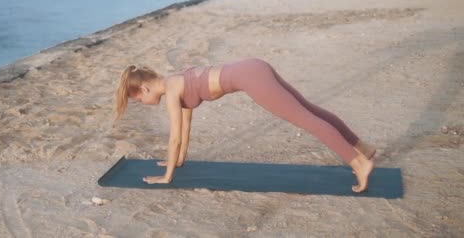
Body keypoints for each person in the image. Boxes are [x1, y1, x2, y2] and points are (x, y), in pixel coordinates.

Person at [114, 58, 376, 193]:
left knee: (303, 118)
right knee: (309, 109)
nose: (142, 102)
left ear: (145, 88)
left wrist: (167, 176)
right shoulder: (174, 80)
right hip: (253, 66)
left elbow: (173, 137)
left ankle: (358, 162)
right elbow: (184, 129)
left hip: (250, 76)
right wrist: (178, 162)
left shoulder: (171, 91)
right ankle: (361, 147)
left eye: (137, 99)